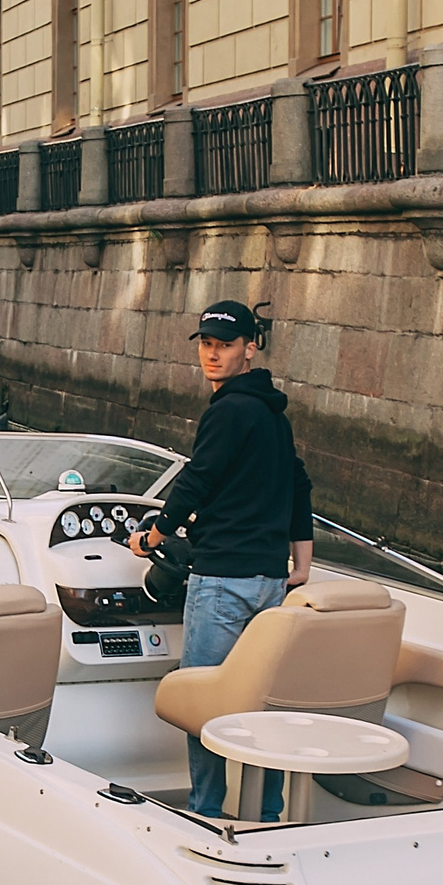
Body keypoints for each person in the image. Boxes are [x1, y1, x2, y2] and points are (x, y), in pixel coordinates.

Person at [130, 300, 314, 818]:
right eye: (206, 344)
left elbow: (198, 479)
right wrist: (301, 564)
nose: (212, 355)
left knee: (203, 704)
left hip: (221, 582)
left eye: (225, 345)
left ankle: (204, 811)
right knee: (264, 704)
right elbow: (298, 484)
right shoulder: (273, 413)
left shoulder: (228, 409)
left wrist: (153, 535)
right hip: (269, 584)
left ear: (249, 348)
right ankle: (267, 812)